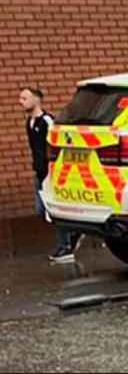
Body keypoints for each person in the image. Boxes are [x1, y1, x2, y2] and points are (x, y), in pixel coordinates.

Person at [20, 88, 80, 263]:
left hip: (51, 173)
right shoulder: (30, 122)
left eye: (24, 98)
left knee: (55, 210)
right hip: (39, 172)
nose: (20, 101)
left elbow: (57, 144)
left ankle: (66, 246)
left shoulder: (47, 121)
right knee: (42, 210)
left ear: (36, 100)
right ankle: (73, 231)